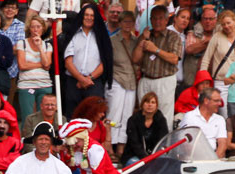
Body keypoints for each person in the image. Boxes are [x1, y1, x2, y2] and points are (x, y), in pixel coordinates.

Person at [58, 118, 124, 174]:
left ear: (84, 137)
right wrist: (64, 152)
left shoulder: (94, 149)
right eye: (72, 144)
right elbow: (71, 169)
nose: (74, 146)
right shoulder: (78, 150)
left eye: (76, 142)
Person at [62, 3, 113, 120]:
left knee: (94, 116)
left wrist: (88, 79)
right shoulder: (73, 35)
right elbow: (68, 62)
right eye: (86, 15)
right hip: (73, 82)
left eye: (92, 15)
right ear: (81, 16)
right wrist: (81, 79)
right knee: (73, 117)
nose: (89, 18)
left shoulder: (101, 36)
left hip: (94, 83)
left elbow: (105, 62)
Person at [134, 5, 182, 125]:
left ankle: (163, 143)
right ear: (150, 20)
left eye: (160, 18)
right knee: (144, 113)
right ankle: (144, 142)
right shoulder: (146, 35)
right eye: (154, 18)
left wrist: (156, 50)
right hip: (146, 80)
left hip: (164, 80)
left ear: (166, 20)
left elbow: (174, 59)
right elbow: (135, 59)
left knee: (164, 115)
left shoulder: (173, 36)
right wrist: (142, 41)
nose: (157, 21)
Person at [106, 11, 138, 159]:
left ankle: (121, 148)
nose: (128, 25)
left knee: (127, 116)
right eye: (125, 21)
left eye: (131, 22)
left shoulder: (136, 41)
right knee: (113, 115)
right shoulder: (112, 41)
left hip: (131, 82)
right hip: (117, 80)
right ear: (119, 23)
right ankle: (109, 147)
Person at [201, 9, 235, 116]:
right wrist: (203, 79)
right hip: (221, 82)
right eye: (223, 24)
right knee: (224, 114)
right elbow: (206, 59)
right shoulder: (217, 37)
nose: (226, 26)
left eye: (228, 23)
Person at [15, 15, 52, 121]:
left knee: (44, 118)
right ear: (29, 28)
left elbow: (47, 64)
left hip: (44, 84)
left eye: (38, 26)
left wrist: (40, 47)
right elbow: (22, 65)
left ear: (43, 28)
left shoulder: (47, 46)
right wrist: (41, 65)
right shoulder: (22, 44)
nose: (35, 29)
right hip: (26, 85)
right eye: (33, 27)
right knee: (28, 117)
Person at [120, 91, 169, 165]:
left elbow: (163, 140)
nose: (150, 105)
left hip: (155, 155)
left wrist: (154, 156)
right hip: (134, 155)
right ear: (142, 104)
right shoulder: (133, 120)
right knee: (137, 164)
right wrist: (146, 158)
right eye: (147, 102)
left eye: (153, 102)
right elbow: (134, 143)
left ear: (156, 106)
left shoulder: (161, 120)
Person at [180, 87, 227, 157]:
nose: (220, 104)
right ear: (206, 101)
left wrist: (214, 160)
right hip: (194, 157)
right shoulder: (190, 116)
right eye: (216, 101)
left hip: (214, 157)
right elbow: (186, 144)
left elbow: (222, 143)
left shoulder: (220, 119)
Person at [182, 4, 215, 88]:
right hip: (193, 80)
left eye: (211, 19)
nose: (208, 21)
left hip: (213, 81)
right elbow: (189, 50)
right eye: (205, 19)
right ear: (201, 20)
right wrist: (209, 43)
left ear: (216, 20)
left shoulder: (220, 35)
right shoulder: (193, 33)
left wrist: (204, 43)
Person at [0, 0, 24, 82]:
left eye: (13, 8)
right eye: (7, 7)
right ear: (2, 9)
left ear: (16, 11)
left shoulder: (20, 25)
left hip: (12, 70)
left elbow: (19, 48)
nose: (10, 10)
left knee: (9, 94)